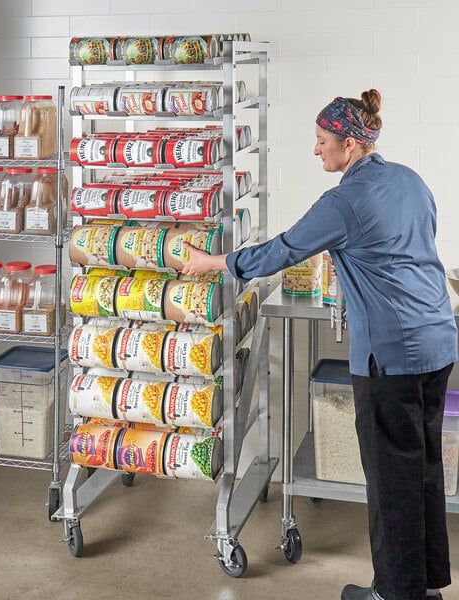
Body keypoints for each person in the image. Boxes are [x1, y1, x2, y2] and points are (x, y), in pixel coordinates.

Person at [182, 89, 457, 600]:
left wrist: (215, 262)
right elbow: (408, 251)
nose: (316, 150)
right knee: (421, 471)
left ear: (351, 145)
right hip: (438, 343)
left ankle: (396, 594)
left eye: (322, 140)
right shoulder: (410, 181)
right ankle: (424, 587)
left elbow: (285, 248)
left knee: (389, 478)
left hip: (391, 356)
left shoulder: (345, 201)